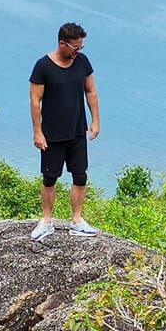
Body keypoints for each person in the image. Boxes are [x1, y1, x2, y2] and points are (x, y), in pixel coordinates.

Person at [29, 21, 100, 239]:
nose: (78, 51)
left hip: (77, 131)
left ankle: (76, 221)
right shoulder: (43, 66)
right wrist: (37, 132)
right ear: (62, 44)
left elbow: (91, 91)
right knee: (50, 178)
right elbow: (35, 100)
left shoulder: (82, 62)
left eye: (81, 47)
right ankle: (47, 221)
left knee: (80, 176)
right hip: (52, 134)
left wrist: (95, 121)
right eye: (75, 47)